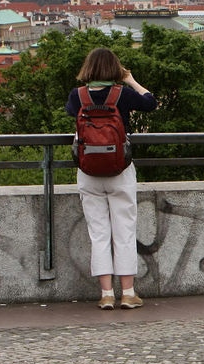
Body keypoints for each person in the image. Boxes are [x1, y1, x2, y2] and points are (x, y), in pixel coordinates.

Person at [65, 47, 157, 309]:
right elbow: (150, 102)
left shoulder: (78, 95)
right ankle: (127, 293)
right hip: (120, 169)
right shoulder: (122, 94)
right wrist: (130, 80)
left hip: (88, 171)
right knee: (124, 232)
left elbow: (71, 114)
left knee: (99, 234)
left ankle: (106, 295)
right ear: (115, 69)